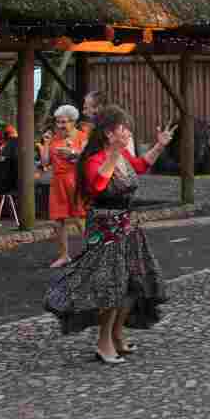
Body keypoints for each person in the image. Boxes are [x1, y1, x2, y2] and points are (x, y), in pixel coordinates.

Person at [44, 106, 174, 363]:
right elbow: (98, 186)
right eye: (122, 128)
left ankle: (117, 336)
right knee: (110, 288)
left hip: (127, 226)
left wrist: (159, 146)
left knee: (131, 285)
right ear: (108, 133)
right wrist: (113, 153)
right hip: (106, 230)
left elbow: (141, 165)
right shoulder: (93, 159)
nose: (128, 133)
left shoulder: (122, 153)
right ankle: (103, 344)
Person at [39, 105, 88, 268]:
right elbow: (45, 162)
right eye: (58, 122)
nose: (60, 125)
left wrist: (72, 154)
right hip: (57, 181)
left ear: (73, 122)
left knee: (80, 218)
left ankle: (94, 252)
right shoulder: (54, 138)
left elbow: (88, 159)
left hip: (75, 179)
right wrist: (46, 143)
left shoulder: (82, 137)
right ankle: (63, 255)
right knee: (57, 221)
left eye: (64, 122)